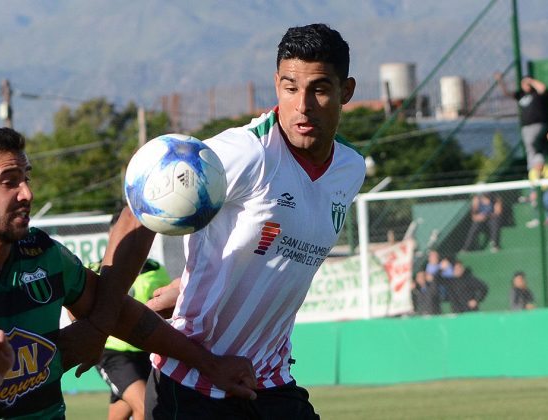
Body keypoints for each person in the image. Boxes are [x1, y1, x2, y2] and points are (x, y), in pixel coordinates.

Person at [0, 128, 256, 419]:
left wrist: (209, 364)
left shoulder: (43, 255)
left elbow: (122, 316)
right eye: (9, 181)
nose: (27, 193)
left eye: (26, 177)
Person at [100, 23, 364, 419]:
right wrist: (101, 317)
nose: (303, 105)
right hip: (191, 386)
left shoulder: (350, 169)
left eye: (320, 89)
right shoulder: (247, 152)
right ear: (277, 85)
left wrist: (189, 284)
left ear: (346, 92)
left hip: (269, 381)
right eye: (291, 88)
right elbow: (141, 207)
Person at [87, 214, 173, 420]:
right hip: (113, 353)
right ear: (112, 235)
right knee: (146, 407)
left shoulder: (155, 270)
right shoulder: (95, 270)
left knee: (124, 409)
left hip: (147, 350)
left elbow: (167, 305)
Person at [495, 72, 548, 170]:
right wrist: (500, 81)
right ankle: (534, 168)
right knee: (531, 148)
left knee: (531, 143)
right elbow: (506, 93)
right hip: (526, 127)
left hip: (538, 124)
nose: (525, 85)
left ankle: (537, 166)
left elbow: (543, 88)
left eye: (527, 83)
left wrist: (530, 80)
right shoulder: (521, 94)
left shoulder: (537, 93)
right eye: (523, 83)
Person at [526, 153, 548, 228]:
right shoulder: (532, 171)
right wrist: (534, 193)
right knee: (534, 200)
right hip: (537, 190)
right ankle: (537, 218)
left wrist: (537, 192)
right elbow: (533, 184)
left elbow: (546, 185)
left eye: (539, 163)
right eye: (536, 164)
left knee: (547, 200)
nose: (538, 165)